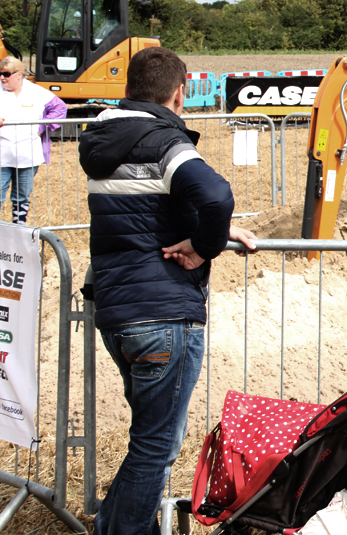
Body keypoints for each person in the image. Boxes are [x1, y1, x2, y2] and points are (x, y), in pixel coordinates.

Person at [79, 47, 257, 535]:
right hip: (163, 313)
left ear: (128, 87)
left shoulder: (102, 141)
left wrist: (214, 229)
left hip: (118, 313)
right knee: (157, 447)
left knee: (147, 442)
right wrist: (205, 245)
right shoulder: (163, 141)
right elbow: (217, 194)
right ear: (180, 91)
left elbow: (145, 209)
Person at [0, 56, 68, 224]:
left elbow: (60, 107)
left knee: (22, 196)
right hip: (2, 154)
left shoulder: (36, 91)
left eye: (6, 74)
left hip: (28, 155)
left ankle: (19, 229)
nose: (2, 77)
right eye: (0, 73)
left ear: (18, 74)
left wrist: (42, 127)